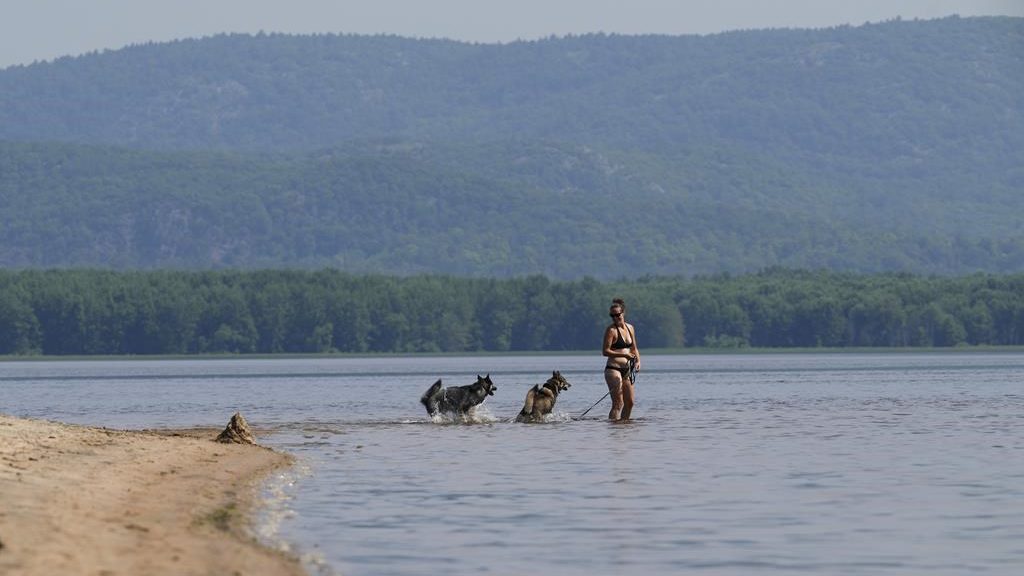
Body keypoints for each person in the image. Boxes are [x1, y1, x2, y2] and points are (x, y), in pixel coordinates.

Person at [602, 298, 639, 420]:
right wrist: (624, 355)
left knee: (630, 403)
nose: (615, 318)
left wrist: (638, 361)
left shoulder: (630, 328)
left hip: (627, 370)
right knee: (618, 403)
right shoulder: (611, 330)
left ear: (623, 313)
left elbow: (634, 348)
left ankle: (624, 426)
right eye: (612, 316)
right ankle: (614, 430)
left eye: (617, 315)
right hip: (613, 369)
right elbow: (605, 351)